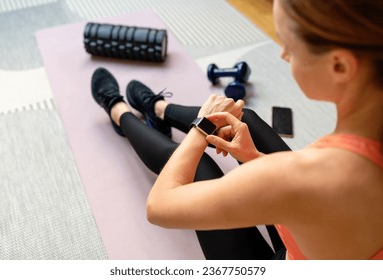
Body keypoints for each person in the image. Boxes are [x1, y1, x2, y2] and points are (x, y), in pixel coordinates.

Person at [91, 0, 383, 260]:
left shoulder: (299, 176)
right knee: (247, 121)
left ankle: (119, 112)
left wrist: (200, 128)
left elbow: (159, 206)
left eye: (289, 46)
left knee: (197, 165)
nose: (282, 55)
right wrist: (255, 161)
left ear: (340, 66)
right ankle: (159, 110)